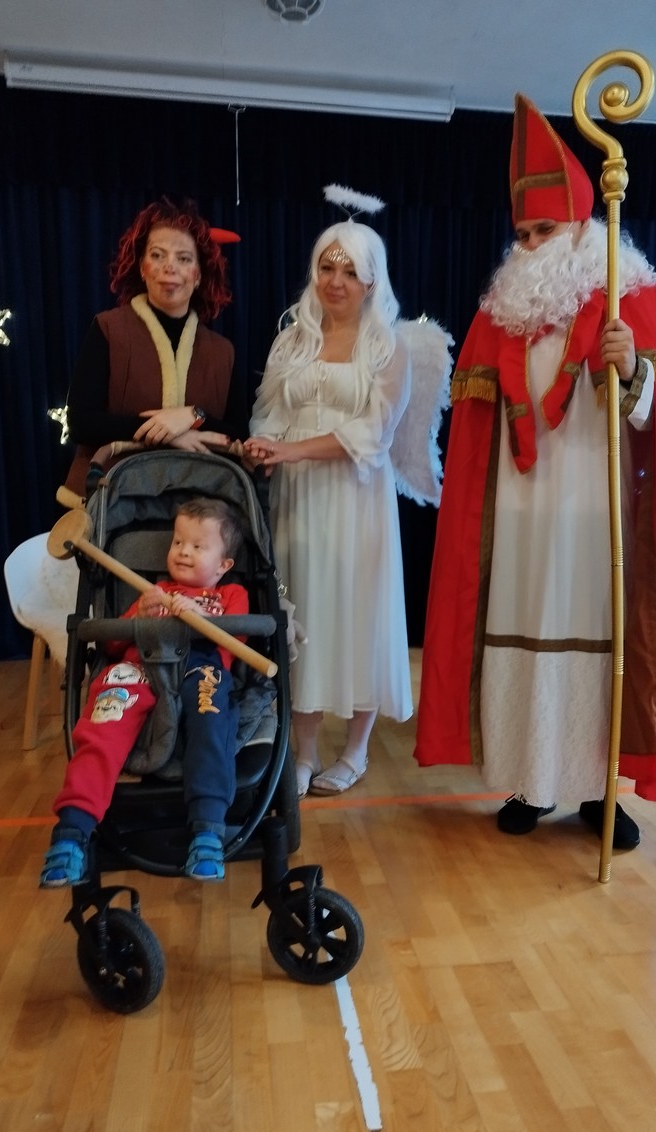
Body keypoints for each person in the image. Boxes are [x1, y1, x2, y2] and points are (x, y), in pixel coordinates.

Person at [415, 94, 656, 850]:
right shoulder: (499, 317)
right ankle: (529, 783)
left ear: (582, 225)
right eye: (524, 234)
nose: (532, 246)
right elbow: (475, 437)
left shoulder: (636, 302)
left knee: (598, 648)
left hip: (596, 517)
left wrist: (632, 371)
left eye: (546, 230)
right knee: (522, 638)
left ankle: (598, 792)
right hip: (521, 514)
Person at [244, 213, 413, 799]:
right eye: (326, 267)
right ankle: (305, 751)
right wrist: (264, 444)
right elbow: (269, 409)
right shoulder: (292, 339)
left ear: (371, 280)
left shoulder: (389, 347)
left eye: (349, 271)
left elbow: (374, 434)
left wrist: (290, 449)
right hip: (298, 498)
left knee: (360, 614)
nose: (335, 280)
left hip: (357, 501)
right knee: (304, 618)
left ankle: (356, 750)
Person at [39, 497, 248, 886]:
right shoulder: (152, 592)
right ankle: (72, 831)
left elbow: (238, 642)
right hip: (140, 666)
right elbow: (112, 644)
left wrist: (202, 617)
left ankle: (207, 831)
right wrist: (138, 616)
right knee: (104, 723)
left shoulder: (231, 595)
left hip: (201, 667)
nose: (183, 551)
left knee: (212, 719)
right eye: (178, 542)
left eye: (198, 546)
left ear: (223, 565)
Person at [61, 197, 246, 498]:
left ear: (199, 275)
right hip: (113, 498)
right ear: (142, 268)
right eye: (158, 255)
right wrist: (167, 433)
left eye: (184, 259)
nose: (169, 267)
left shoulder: (222, 351)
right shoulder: (108, 329)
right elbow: (82, 423)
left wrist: (192, 415)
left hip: (198, 502)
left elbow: (239, 434)